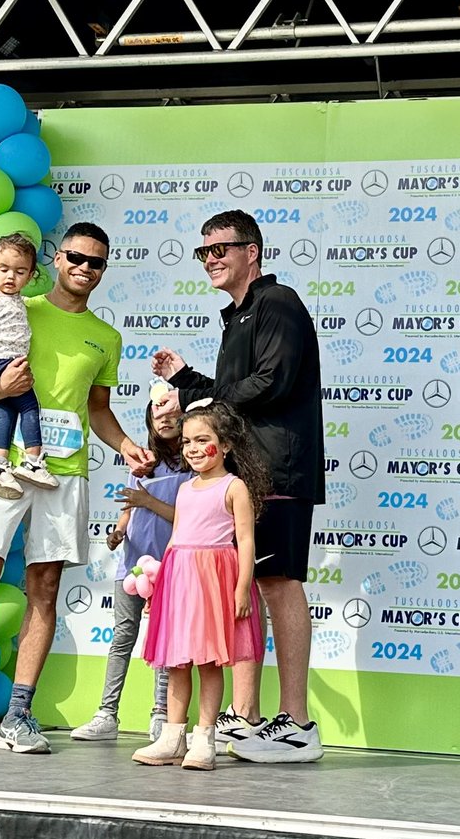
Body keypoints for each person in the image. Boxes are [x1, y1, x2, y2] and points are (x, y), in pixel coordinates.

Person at [0, 222, 154, 753]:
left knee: (44, 588)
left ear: (102, 270)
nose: (84, 268)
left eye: (95, 262)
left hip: (62, 472)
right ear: (58, 259)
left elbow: (97, 409)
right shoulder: (16, 305)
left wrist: (124, 446)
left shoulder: (106, 337)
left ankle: (19, 715)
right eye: (76, 257)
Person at [152, 209, 325, 763]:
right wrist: (185, 381)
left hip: (279, 470)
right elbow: (230, 393)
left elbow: (272, 382)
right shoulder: (237, 315)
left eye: (222, 248)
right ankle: (244, 719)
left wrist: (206, 401)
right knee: (248, 587)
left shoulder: (277, 302)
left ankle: (297, 724)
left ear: (253, 251)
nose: (212, 259)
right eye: (203, 252)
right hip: (248, 471)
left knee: (278, 583)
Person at [133, 400, 268, 771]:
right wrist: (160, 588)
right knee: (176, 663)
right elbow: (175, 540)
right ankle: (172, 736)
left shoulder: (234, 486)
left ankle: (204, 737)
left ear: (224, 445)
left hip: (215, 581)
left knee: (209, 662)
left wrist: (242, 588)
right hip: (180, 580)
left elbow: (246, 541)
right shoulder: (185, 489)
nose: (192, 448)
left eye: (202, 439)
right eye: (187, 441)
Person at [71, 401, 191, 743]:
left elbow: (187, 517)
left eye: (172, 415)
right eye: (158, 415)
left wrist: (148, 503)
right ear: (149, 421)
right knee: (122, 638)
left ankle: (162, 716)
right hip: (132, 567)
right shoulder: (140, 463)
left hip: (171, 568)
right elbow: (130, 507)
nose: (165, 420)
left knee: (166, 644)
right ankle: (107, 714)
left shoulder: (192, 466)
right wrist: (119, 530)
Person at [0, 233, 59, 499]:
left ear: (30, 276)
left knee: (6, 412)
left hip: (5, 361)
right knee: (29, 407)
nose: (11, 277)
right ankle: (32, 461)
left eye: (20, 272)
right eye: (4, 269)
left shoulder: (16, 300)